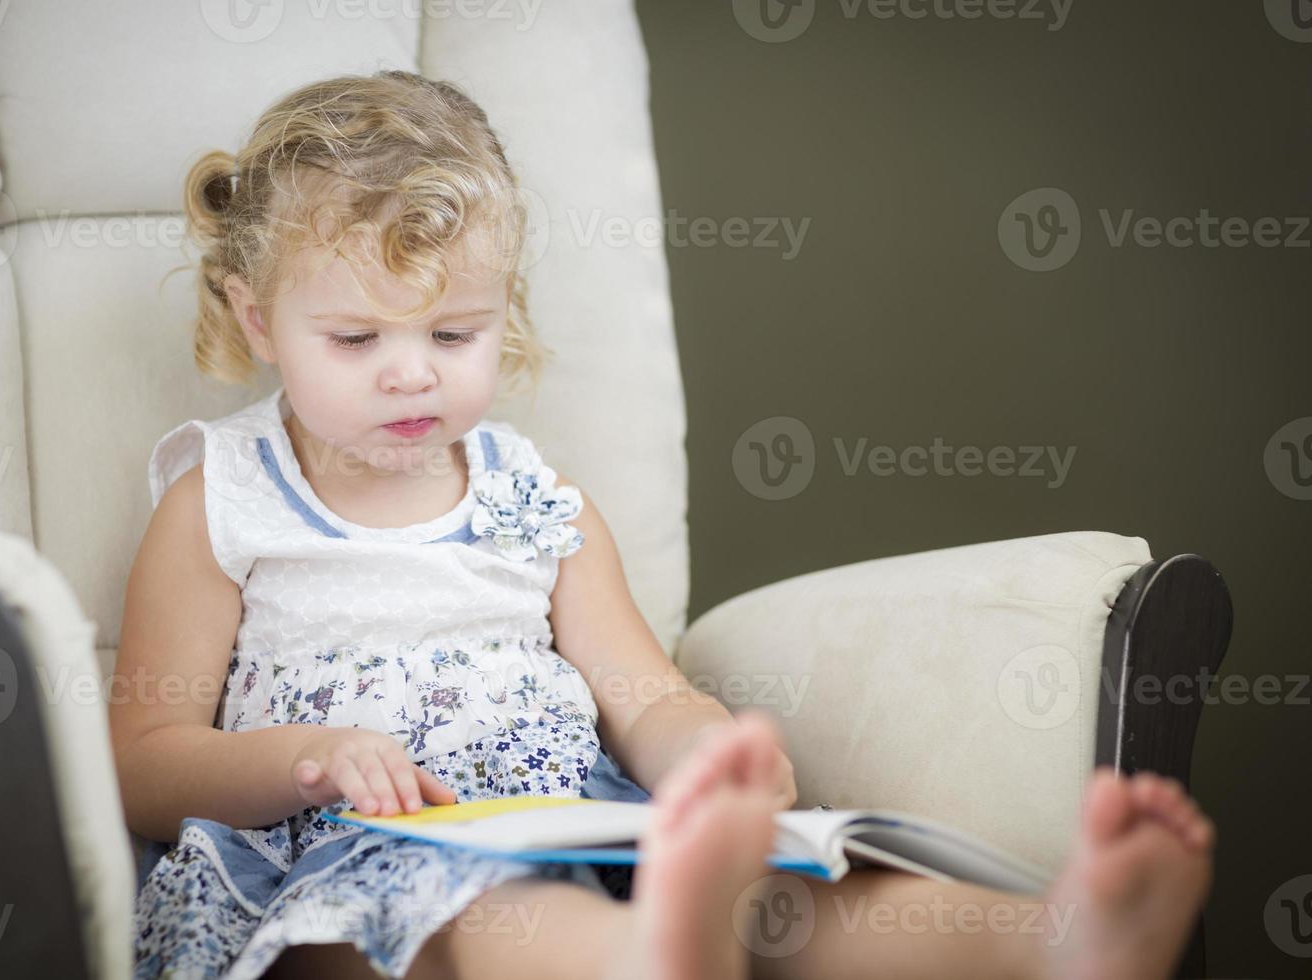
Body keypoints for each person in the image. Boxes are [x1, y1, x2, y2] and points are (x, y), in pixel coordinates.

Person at [109, 70, 1214, 980]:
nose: (411, 373)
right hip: (344, 862)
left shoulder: (538, 501)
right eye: (355, 339)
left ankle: (1054, 941)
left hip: (573, 822)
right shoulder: (225, 497)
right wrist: (312, 759)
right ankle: (652, 956)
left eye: (455, 332)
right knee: (472, 926)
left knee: (787, 901)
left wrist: (705, 757)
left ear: (508, 314)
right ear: (259, 319)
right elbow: (147, 762)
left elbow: (642, 692)